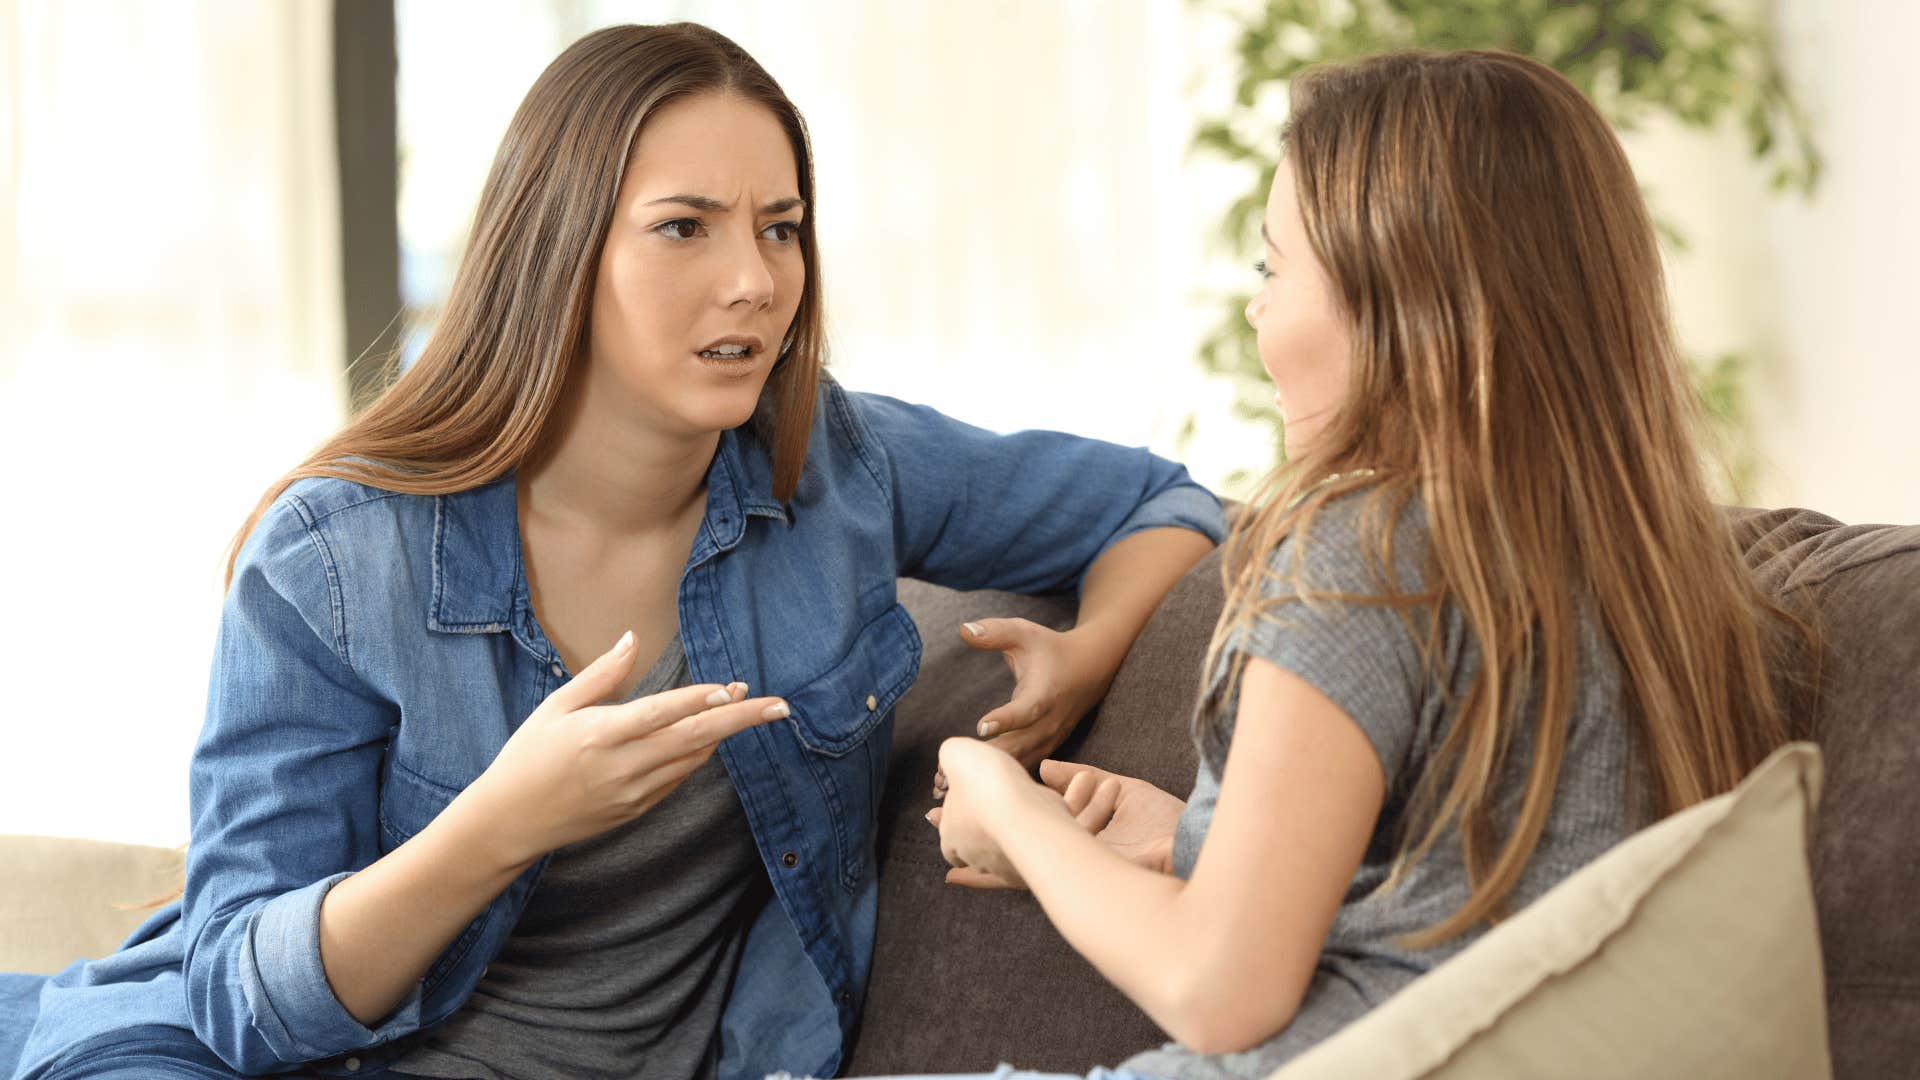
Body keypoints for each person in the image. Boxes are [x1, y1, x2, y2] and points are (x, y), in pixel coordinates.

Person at [0, 23, 1223, 1080]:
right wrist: (503, 824)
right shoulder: (333, 560)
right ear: (561, 252)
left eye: (782, 228)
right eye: (684, 227)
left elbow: (1163, 504)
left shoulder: (835, 466)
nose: (754, 280)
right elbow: (236, 998)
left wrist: (1087, 650)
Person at [878, 48, 1808, 1080]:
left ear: (1400, 301)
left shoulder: (1362, 553)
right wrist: (1195, 838)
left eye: (1272, 269)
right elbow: (1468, 899)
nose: (1256, 313)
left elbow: (1218, 987)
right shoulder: (1650, 570)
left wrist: (1002, 805)